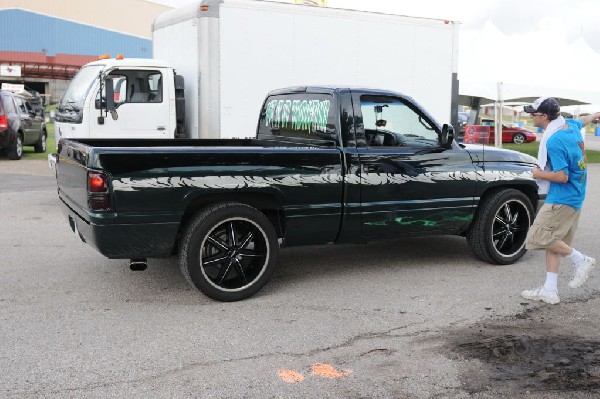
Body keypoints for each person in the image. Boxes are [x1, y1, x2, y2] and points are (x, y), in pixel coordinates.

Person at [521, 97, 598, 304]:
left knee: (537, 237)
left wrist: (537, 174)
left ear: (544, 116)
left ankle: (581, 260)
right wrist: (595, 115)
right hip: (576, 196)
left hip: (561, 199)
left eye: (533, 113)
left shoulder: (554, 140)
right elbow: (584, 120)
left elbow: (562, 176)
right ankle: (550, 290)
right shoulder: (571, 125)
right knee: (554, 244)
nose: (530, 116)